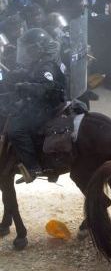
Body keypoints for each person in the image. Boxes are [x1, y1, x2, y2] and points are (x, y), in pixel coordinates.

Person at [7, 28, 66, 183]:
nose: (27, 53)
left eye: (30, 49)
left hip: (47, 107)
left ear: (39, 48)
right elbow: (33, 74)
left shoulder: (46, 66)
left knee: (15, 129)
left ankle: (33, 167)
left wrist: (26, 86)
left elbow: (47, 87)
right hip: (44, 103)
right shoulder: (42, 61)